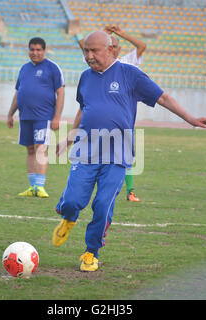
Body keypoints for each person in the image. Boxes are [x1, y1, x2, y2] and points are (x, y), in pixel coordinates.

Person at [53, 31, 206, 272]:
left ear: (111, 49)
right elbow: (83, 108)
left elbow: (163, 98)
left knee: (103, 204)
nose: (88, 56)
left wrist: (190, 119)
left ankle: (91, 252)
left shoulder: (130, 74)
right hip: (86, 150)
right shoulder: (86, 77)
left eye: (94, 51)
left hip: (118, 154)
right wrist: (69, 137)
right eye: (86, 51)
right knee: (72, 201)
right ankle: (69, 216)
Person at [78, 25, 147, 202]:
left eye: (116, 47)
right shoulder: (96, 65)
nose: (114, 50)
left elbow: (142, 46)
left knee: (124, 154)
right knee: (100, 157)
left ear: (117, 49)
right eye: (111, 46)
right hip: (99, 124)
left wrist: (122, 34)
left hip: (122, 117)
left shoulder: (128, 63)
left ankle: (130, 190)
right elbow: (84, 44)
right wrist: (103, 33)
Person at [7, 37, 65, 198]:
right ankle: (33, 187)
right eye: (32, 49)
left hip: (43, 116)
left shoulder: (52, 68)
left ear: (44, 51)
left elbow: (60, 92)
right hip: (25, 116)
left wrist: (57, 117)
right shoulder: (24, 69)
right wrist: (10, 114)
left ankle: (40, 186)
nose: (35, 53)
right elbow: (18, 92)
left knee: (40, 148)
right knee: (30, 149)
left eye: (38, 50)